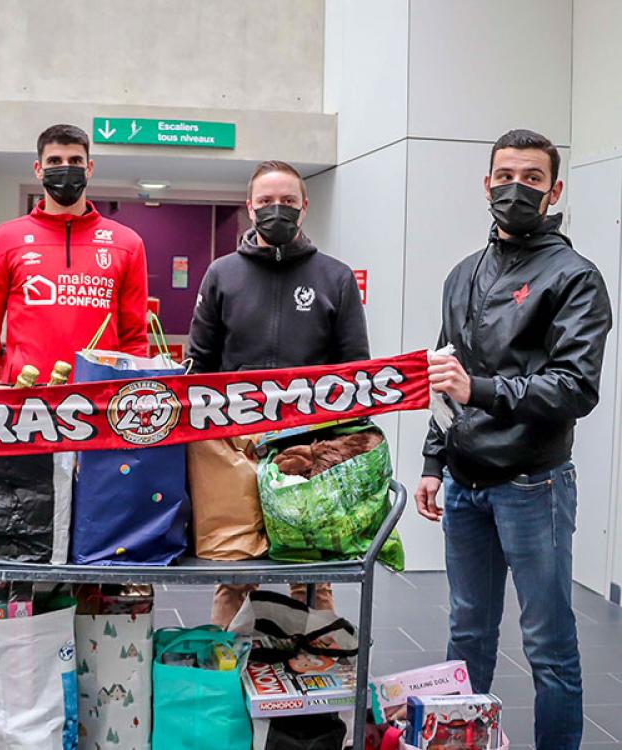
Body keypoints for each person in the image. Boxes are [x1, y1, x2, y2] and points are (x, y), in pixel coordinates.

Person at [415, 129, 612, 750]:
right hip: (465, 486)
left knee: (548, 644)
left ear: (554, 191)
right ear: (486, 183)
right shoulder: (461, 275)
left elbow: (574, 388)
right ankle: (457, 741)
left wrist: (483, 390)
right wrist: (431, 460)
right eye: (505, 175)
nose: (516, 188)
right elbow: (448, 374)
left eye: (532, 178)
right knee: (466, 633)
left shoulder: (575, 278)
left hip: (535, 487)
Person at [187, 159, 370, 627]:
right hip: (238, 446)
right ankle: (222, 672)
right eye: (266, 202)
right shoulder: (221, 275)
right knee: (235, 570)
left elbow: (355, 373)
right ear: (249, 208)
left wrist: (345, 451)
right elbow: (200, 364)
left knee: (313, 576)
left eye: (287, 201)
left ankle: (320, 675)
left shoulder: (336, 277)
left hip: (312, 449)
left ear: (304, 207)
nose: (277, 210)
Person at [0, 123, 148, 383]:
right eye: (55, 160)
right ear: (38, 169)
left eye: (75, 160)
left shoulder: (127, 244)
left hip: (98, 396)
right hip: (25, 396)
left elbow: (134, 337)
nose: (65, 167)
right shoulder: (4, 240)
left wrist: (131, 392)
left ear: (89, 169)